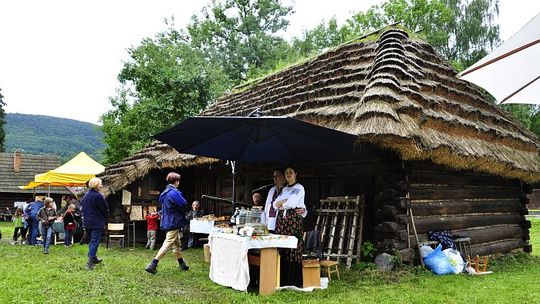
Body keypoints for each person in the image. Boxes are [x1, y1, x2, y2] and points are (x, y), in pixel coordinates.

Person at [145, 172, 189, 274]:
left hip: (168, 221)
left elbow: (166, 208)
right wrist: (182, 211)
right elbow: (184, 205)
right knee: (169, 242)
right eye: (178, 181)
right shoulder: (174, 193)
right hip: (174, 221)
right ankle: (153, 264)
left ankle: (182, 264)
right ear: (176, 181)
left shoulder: (164, 193)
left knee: (176, 244)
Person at [273, 166, 307, 287]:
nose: (288, 174)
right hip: (282, 220)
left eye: (291, 172)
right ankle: (281, 278)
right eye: (286, 172)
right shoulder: (284, 189)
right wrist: (283, 202)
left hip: (293, 219)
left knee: (293, 246)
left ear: (295, 174)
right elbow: (275, 204)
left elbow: (292, 203)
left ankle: (293, 280)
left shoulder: (299, 188)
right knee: (282, 246)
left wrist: (283, 203)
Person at [82, 177, 109, 270]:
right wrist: (104, 216)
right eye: (100, 184)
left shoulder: (86, 195)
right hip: (96, 222)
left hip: (87, 222)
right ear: (96, 185)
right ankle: (89, 263)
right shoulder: (98, 196)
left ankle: (94, 258)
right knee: (95, 242)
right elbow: (105, 209)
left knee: (92, 241)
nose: (101, 185)